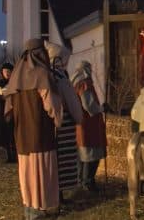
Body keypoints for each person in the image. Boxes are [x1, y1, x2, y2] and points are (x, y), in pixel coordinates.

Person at [4, 38, 63, 219]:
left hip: (22, 136)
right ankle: (41, 208)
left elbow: (8, 111)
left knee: (27, 171)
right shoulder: (41, 74)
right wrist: (58, 120)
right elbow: (51, 106)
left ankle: (29, 208)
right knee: (42, 171)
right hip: (41, 134)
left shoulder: (14, 77)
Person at [45, 40, 83, 202]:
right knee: (62, 160)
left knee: (54, 161)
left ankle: (54, 194)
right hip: (63, 122)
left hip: (49, 124)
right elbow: (71, 100)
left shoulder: (45, 75)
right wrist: (78, 116)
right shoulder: (59, 76)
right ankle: (58, 195)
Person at [70, 60, 106, 192]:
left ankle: (81, 181)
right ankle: (87, 182)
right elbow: (88, 105)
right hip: (88, 125)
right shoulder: (84, 84)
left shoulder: (74, 83)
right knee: (90, 155)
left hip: (80, 123)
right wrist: (101, 108)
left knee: (82, 155)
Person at [0, 62, 17, 163]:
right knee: (3, 135)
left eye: (9, 71)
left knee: (13, 134)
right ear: (2, 72)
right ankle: (6, 156)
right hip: (1, 111)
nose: (7, 73)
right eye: (5, 71)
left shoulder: (15, 83)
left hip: (12, 111)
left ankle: (14, 156)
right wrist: (0, 97)